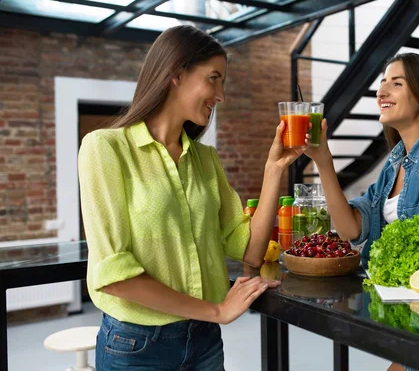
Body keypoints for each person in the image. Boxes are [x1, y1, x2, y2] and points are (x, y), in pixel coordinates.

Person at [78, 25, 305, 370]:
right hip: (137, 346)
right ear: (176, 74)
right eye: (213, 78)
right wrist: (216, 310)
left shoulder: (205, 159)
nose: (221, 94)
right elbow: (113, 274)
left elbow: (249, 249)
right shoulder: (105, 148)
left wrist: (274, 170)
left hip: (203, 341)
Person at [305, 53, 419, 371]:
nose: (382, 91)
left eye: (396, 83)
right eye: (382, 83)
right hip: (412, 313)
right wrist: (322, 160)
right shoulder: (395, 163)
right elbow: (351, 228)